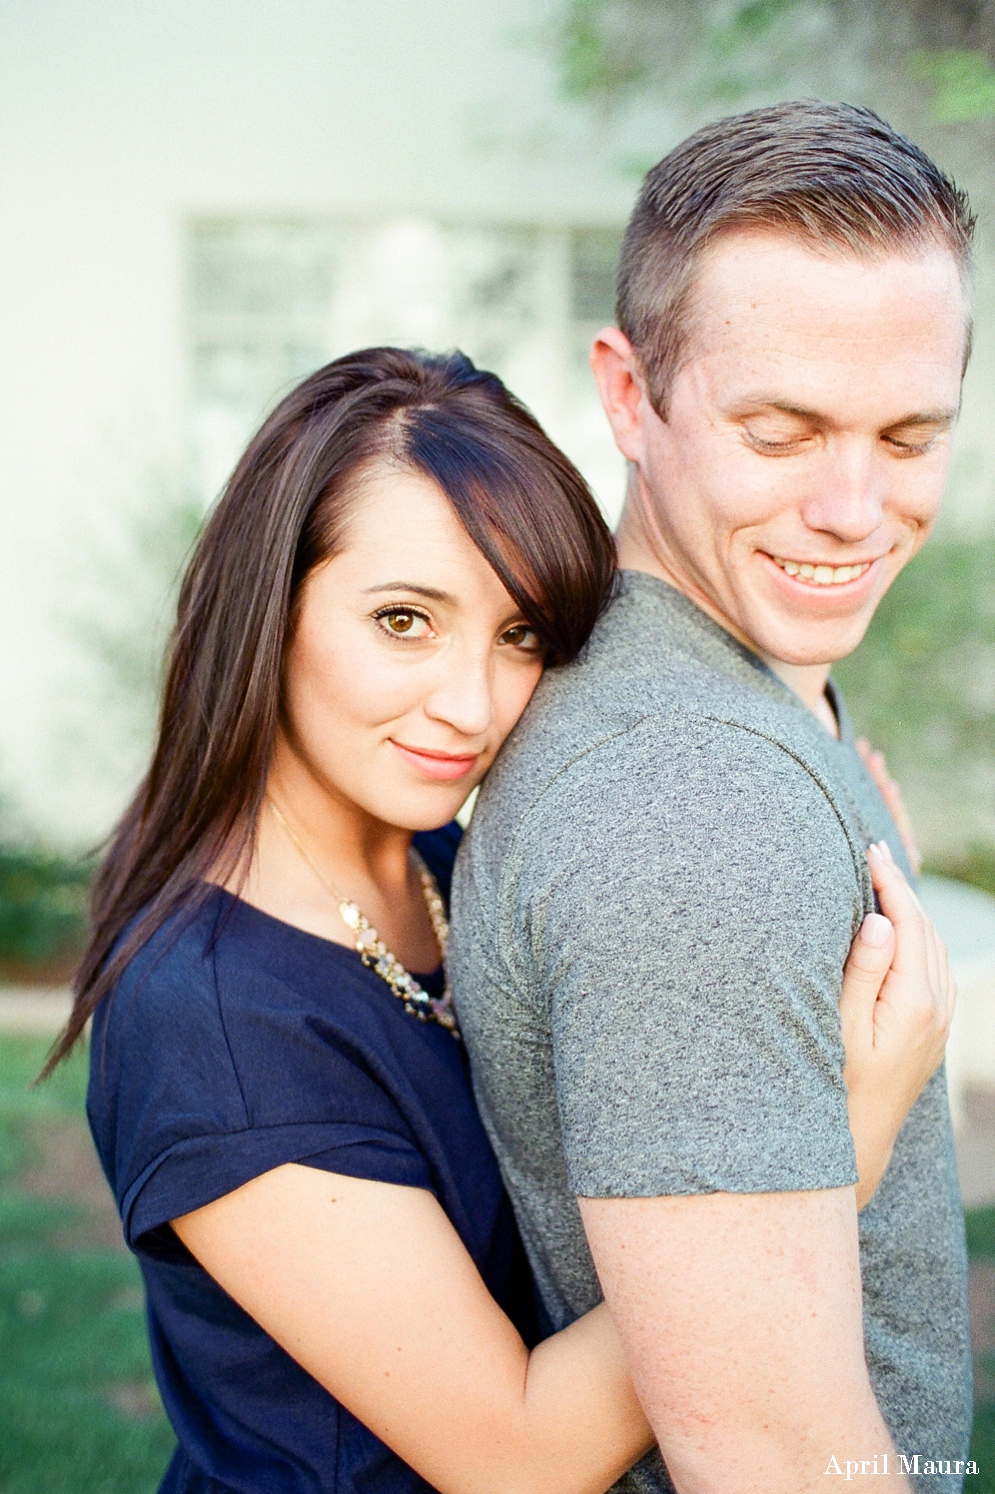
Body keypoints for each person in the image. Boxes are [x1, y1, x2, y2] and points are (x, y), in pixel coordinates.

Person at [58, 347, 949, 1494]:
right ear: (267, 606)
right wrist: (837, 1144)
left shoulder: (441, 855)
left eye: (519, 633)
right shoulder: (213, 1024)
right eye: (402, 621)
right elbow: (513, 1456)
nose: (470, 703)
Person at [448, 101, 974, 1494]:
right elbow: (772, 1460)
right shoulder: (686, 807)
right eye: (781, 430)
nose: (853, 510)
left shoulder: (740, 692)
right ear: (628, 397)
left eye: (908, 437)